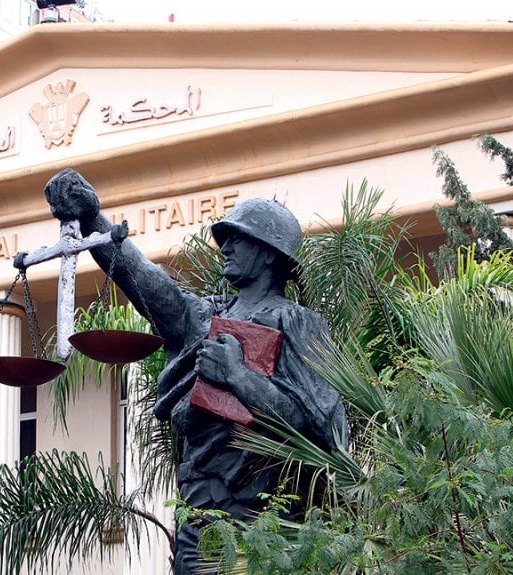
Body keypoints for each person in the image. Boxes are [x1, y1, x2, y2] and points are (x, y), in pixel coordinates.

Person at [45, 168, 347, 575]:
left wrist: (239, 377)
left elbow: (324, 426)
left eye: (237, 239)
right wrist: (92, 218)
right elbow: (146, 281)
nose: (226, 248)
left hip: (263, 519)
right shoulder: (204, 317)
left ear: (268, 253)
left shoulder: (297, 322)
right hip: (197, 511)